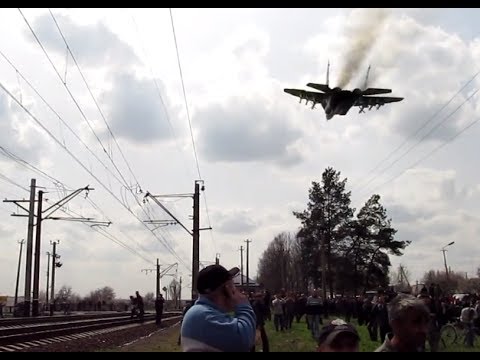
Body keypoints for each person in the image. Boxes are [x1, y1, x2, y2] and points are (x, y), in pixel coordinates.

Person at [180, 265, 256, 352]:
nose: (234, 290)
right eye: (231, 285)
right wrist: (244, 306)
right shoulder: (202, 315)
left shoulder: (203, 312)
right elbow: (244, 341)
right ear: (225, 289)